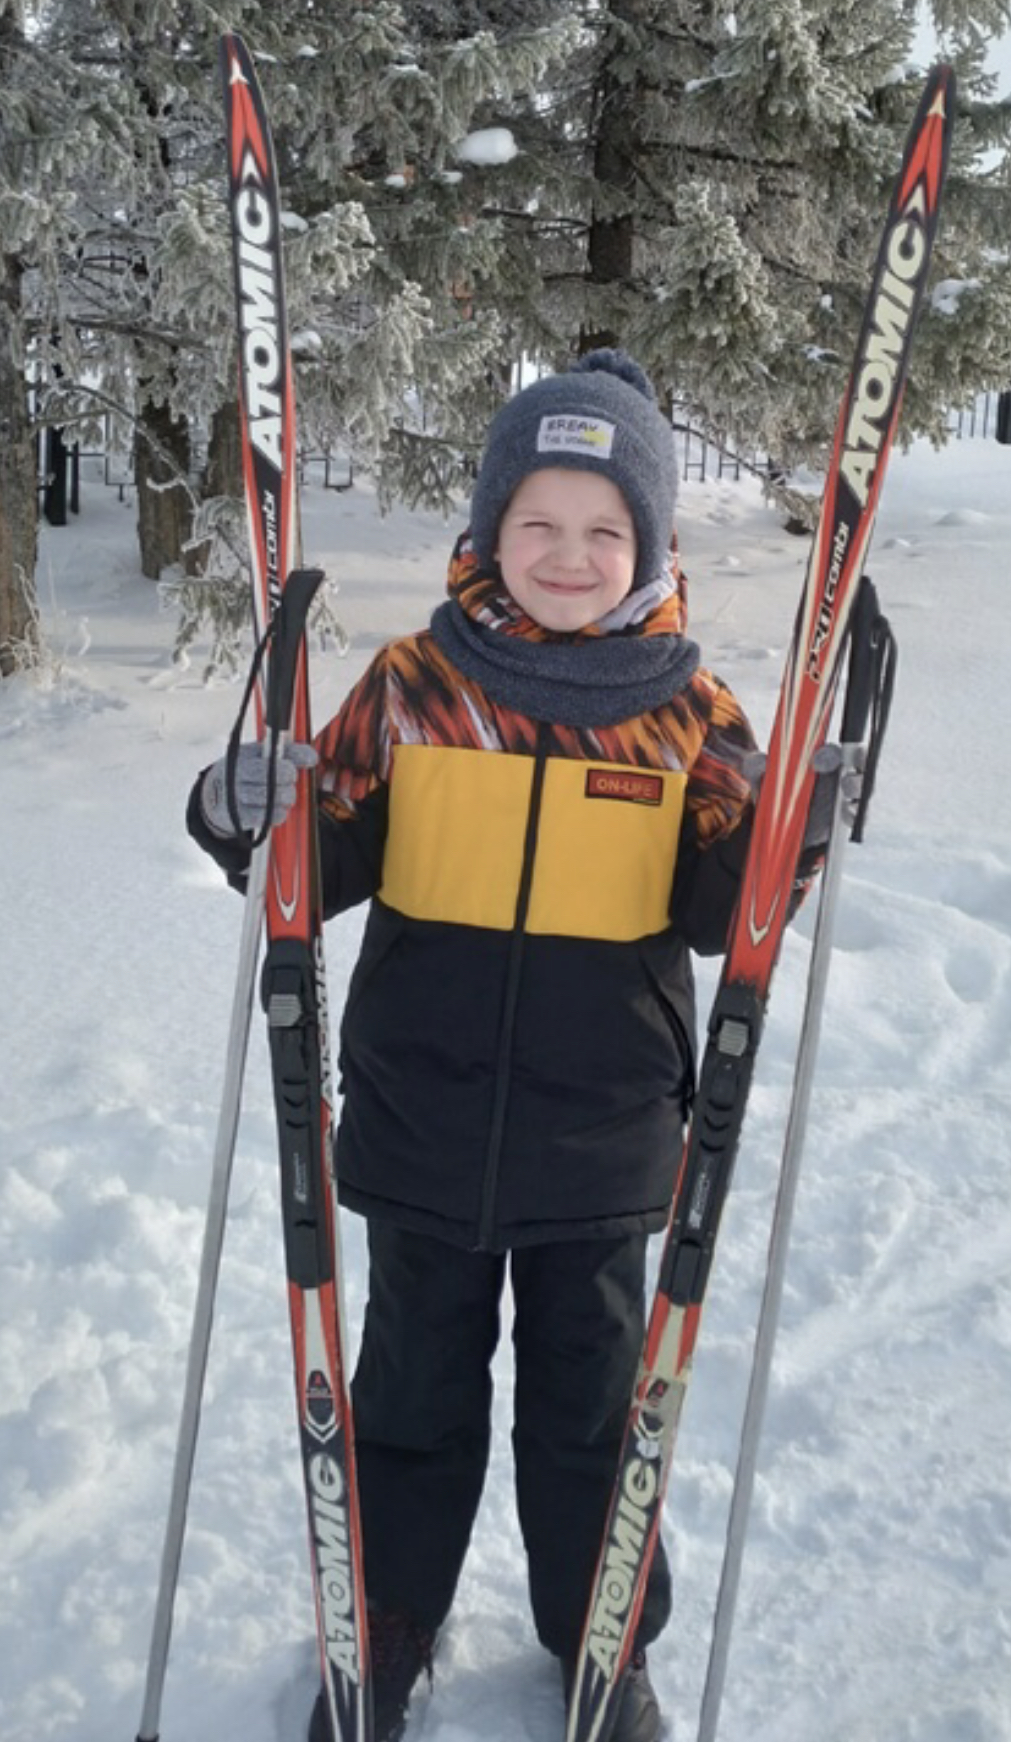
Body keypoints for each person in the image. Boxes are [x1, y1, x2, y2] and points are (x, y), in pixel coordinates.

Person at [188, 351, 817, 1742]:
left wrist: (789, 835)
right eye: (539, 521)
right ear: (488, 527)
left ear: (649, 544)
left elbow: (724, 913)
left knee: (595, 1414)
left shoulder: (689, 716)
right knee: (411, 1391)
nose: (570, 555)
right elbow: (318, 856)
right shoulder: (416, 687)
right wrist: (243, 809)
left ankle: (603, 1638)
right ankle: (387, 1619)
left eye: (605, 529)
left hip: (603, 1141)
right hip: (423, 1124)